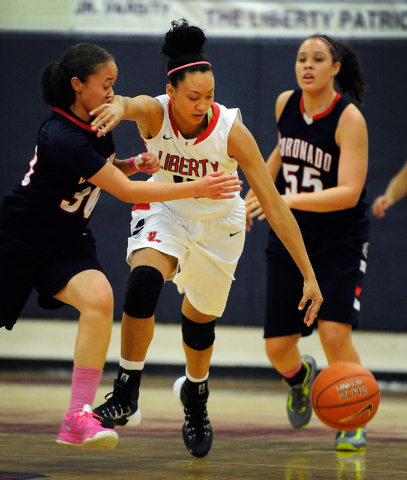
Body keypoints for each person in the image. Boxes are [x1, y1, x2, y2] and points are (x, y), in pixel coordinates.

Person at [90, 19, 323, 458]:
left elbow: (273, 204)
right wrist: (119, 108)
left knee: (199, 324)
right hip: (167, 209)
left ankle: (195, 397)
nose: (202, 105)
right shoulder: (155, 112)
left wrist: (309, 274)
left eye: (210, 96)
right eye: (193, 97)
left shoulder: (230, 131)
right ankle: (126, 391)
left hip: (220, 227)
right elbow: (132, 103)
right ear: (172, 91)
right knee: (143, 282)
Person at [0, 42, 243, 450]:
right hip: (21, 239)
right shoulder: (61, 132)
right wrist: (201, 186)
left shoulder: (97, 123)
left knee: (100, 298)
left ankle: (78, 418)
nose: (113, 92)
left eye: (116, 85)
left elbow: (102, 173)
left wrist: (131, 164)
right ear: (78, 85)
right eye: (106, 84)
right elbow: (129, 194)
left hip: (66, 239)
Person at [245, 34, 370, 451]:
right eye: (301, 59)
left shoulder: (349, 119)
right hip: (291, 236)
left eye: (317, 59)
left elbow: (350, 192)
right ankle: (300, 379)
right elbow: (284, 148)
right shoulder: (286, 103)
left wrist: (286, 198)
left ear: (335, 67)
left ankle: (354, 417)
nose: (307, 66)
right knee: (278, 348)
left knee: (333, 332)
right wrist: (260, 187)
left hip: (339, 239)